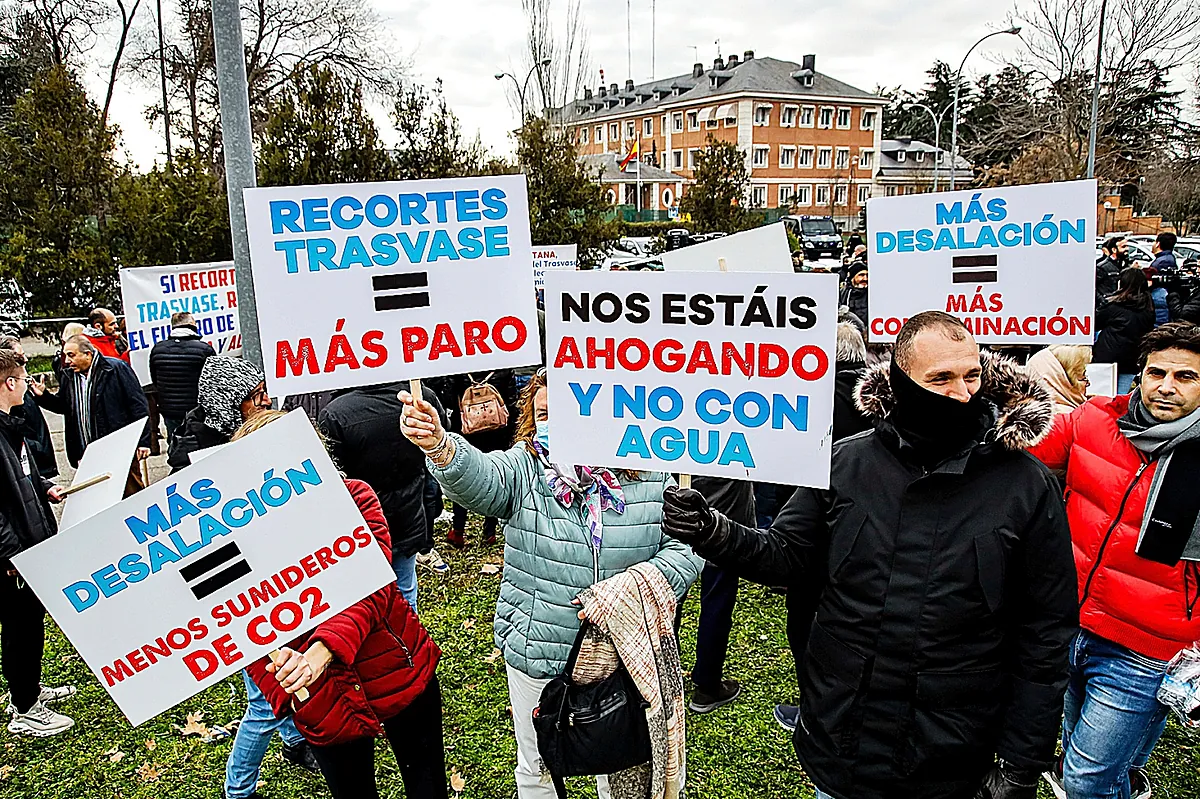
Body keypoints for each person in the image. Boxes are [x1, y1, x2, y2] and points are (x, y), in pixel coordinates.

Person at [660, 311, 1078, 799]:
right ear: (900, 382)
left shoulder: (1026, 485)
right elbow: (786, 555)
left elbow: (1046, 631)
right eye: (939, 378)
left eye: (971, 375)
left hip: (953, 750)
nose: (962, 393)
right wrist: (712, 530)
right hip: (843, 736)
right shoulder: (847, 462)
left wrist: (1022, 764)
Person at [399, 370, 700, 799]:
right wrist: (441, 446)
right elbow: (483, 477)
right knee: (538, 768)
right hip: (539, 649)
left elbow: (688, 547)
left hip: (624, 655)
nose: (552, 425)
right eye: (542, 414)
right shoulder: (525, 467)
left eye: (568, 412)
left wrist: (634, 588)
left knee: (621, 766)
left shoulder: (652, 468)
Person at [1030, 322, 1200, 799]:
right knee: (1090, 762)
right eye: (1156, 372)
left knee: (1084, 780)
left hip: (1146, 648)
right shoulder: (1095, 419)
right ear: (1138, 375)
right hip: (1072, 623)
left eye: (1185, 377)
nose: (1165, 386)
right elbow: (1023, 449)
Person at [240, 411, 446, 799]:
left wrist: (320, 652)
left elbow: (373, 587)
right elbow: (234, 623)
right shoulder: (239, 544)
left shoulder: (354, 498)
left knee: (427, 784)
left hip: (396, 667)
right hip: (319, 698)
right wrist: (280, 684)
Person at [318, 381, 449, 609]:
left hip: (363, 526)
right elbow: (443, 433)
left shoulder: (335, 413)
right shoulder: (419, 395)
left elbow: (330, 473)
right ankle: (409, 642)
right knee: (405, 594)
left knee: (367, 604)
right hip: (408, 517)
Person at [0, 349, 74, 736]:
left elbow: (20, 478)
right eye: (25, 378)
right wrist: (10, 554)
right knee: (19, 627)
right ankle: (25, 710)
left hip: (28, 545)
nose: (29, 385)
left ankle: (28, 690)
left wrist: (45, 488)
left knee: (31, 622)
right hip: (12, 557)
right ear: (9, 384)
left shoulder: (10, 426)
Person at [688, 477, 755, 714]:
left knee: (675, 600)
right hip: (718, 523)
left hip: (697, 518)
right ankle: (706, 686)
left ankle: (702, 683)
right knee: (716, 605)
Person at [428, 371, 518, 549]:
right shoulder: (503, 365)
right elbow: (511, 398)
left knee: (462, 473)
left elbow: (449, 397)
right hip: (498, 431)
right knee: (496, 473)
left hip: (466, 430)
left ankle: (458, 531)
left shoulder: (460, 366)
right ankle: (489, 532)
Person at [32, 335, 150, 469]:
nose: (68, 361)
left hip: (118, 448)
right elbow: (65, 407)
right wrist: (43, 396)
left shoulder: (115, 369)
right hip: (86, 453)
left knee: (130, 489)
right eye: (66, 356)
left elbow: (138, 405)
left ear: (88, 354)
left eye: (72, 355)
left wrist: (143, 441)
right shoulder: (68, 376)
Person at [168, 357, 272, 472]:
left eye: (265, 390)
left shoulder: (263, 430)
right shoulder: (191, 463)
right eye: (256, 395)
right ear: (227, 404)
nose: (268, 401)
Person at [149, 312, 215, 446]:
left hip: (169, 409)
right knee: (200, 444)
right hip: (198, 409)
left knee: (176, 446)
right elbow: (214, 380)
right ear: (192, 325)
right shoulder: (204, 349)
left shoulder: (158, 349)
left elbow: (155, 379)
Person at [0, 338, 56, 479]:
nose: (25, 358)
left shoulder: (21, 392)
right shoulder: (9, 405)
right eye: (20, 355)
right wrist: (35, 448)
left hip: (36, 467)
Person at [1095, 268, 1156, 395]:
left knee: (1100, 399)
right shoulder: (1148, 308)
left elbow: (1095, 324)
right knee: (1120, 401)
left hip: (1106, 359)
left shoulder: (1113, 307)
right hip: (1131, 360)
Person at [1026, 345, 1092, 414]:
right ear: (1063, 381)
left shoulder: (1028, 415)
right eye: (1083, 376)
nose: (1088, 383)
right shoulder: (1069, 417)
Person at [1096, 236, 1128, 305]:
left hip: (1121, 305)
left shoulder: (1126, 265)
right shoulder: (1103, 267)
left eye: (1127, 246)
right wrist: (1103, 301)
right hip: (1108, 305)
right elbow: (1093, 287)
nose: (1127, 249)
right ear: (1114, 250)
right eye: (1123, 247)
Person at [839, 264, 869, 330]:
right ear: (852, 277)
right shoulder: (842, 293)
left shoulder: (872, 293)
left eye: (867, 275)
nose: (865, 279)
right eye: (861, 275)